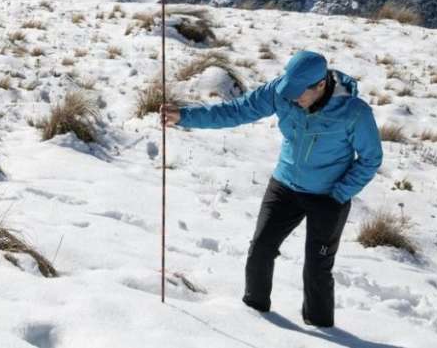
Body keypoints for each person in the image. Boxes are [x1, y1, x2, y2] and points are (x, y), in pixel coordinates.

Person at [161, 50, 382, 328]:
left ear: (320, 85)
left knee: (317, 268)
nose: (292, 98)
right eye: (289, 91)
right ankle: (255, 319)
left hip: (328, 197)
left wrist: (339, 194)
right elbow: (236, 110)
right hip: (285, 187)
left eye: (299, 93)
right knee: (260, 251)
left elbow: (371, 158)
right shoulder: (281, 91)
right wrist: (184, 116)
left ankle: (322, 330)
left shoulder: (354, 112)